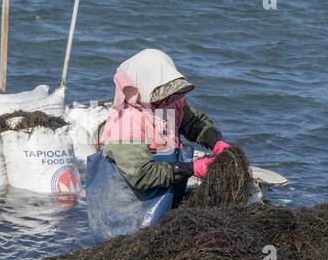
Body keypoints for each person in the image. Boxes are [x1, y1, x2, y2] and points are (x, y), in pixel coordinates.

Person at [97, 48, 231, 193]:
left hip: (165, 194)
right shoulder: (125, 123)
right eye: (159, 92)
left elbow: (195, 123)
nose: (167, 100)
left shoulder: (172, 104)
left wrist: (217, 142)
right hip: (126, 203)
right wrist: (192, 168)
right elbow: (141, 175)